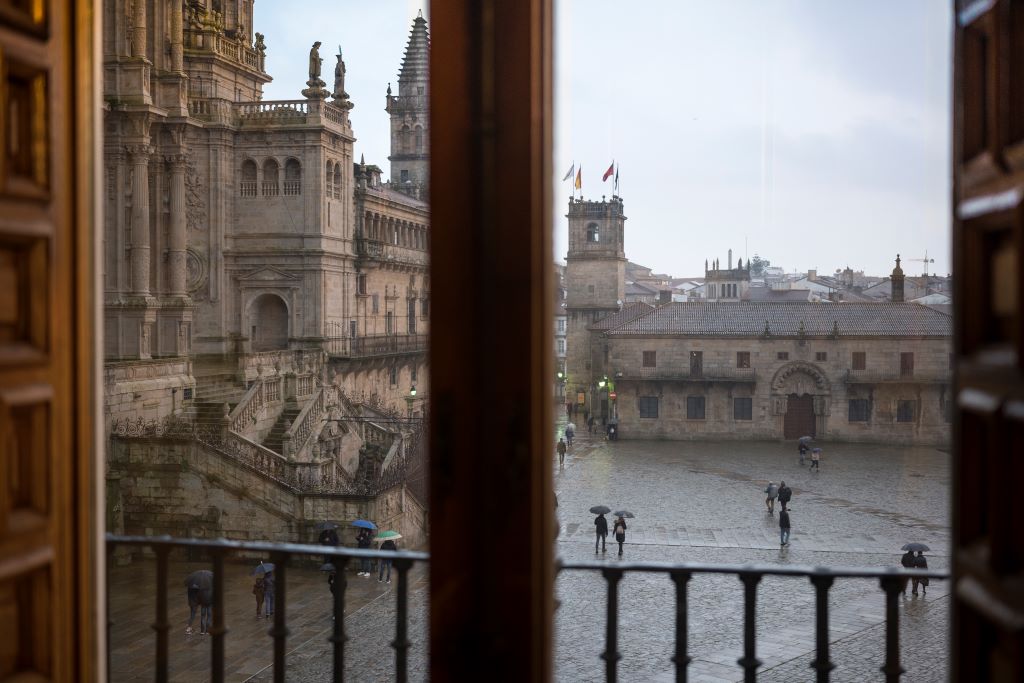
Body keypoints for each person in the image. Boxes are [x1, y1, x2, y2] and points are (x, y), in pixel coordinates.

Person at [185, 570, 213, 635]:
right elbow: (199, 595)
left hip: (192, 602)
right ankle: (189, 628)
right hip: (196, 602)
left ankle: (202, 631)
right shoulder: (198, 588)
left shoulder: (190, 586)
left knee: (201, 616)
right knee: (193, 615)